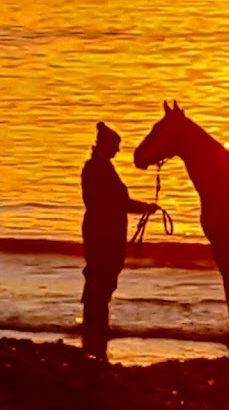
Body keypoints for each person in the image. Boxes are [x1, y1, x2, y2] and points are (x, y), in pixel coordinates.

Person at [80, 121, 157, 358]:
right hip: (102, 232)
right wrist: (143, 207)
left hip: (103, 231)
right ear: (106, 145)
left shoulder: (100, 168)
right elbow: (117, 202)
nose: (118, 151)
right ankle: (96, 327)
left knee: (99, 276)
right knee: (101, 277)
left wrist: (142, 208)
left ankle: (93, 325)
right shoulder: (96, 170)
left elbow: (116, 202)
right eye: (116, 146)